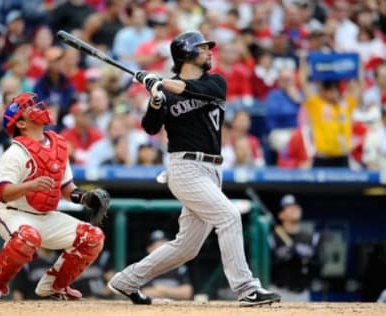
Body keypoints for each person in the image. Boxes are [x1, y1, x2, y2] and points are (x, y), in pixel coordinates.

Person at [108, 31, 280, 307]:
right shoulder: (166, 91)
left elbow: (195, 90)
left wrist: (159, 82)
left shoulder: (215, 82)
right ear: (186, 53)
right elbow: (151, 126)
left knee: (187, 247)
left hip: (212, 170)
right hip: (185, 168)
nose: (209, 52)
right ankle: (246, 288)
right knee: (229, 217)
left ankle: (127, 280)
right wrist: (155, 98)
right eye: (202, 48)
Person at [0, 92, 108, 301]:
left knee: (93, 238)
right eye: (29, 108)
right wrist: (31, 185)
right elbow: (2, 193)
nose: (37, 109)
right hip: (14, 213)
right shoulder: (15, 152)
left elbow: (67, 188)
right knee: (28, 237)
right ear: (20, 123)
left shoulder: (58, 145)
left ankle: (54, 286)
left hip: (46, 215)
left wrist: (85, 198)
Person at [268, 194, 320, 302]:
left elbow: (319, 265)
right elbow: (264, 266)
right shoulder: (273, 237)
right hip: (278, 291)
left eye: (296, 206)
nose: (294, 209)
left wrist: (307, 258)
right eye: (289, 207)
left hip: (302, 293)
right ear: (281, 215)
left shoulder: (310, 237)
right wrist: (285, 256)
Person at [140, 230, 193, 301]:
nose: (161, 249)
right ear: (149, 249)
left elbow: (187, 293)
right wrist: (174, 292)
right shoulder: (145, 269)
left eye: (164, 245)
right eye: (157, 246)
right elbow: (144, 293)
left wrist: (162, 290)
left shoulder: (179, 267)